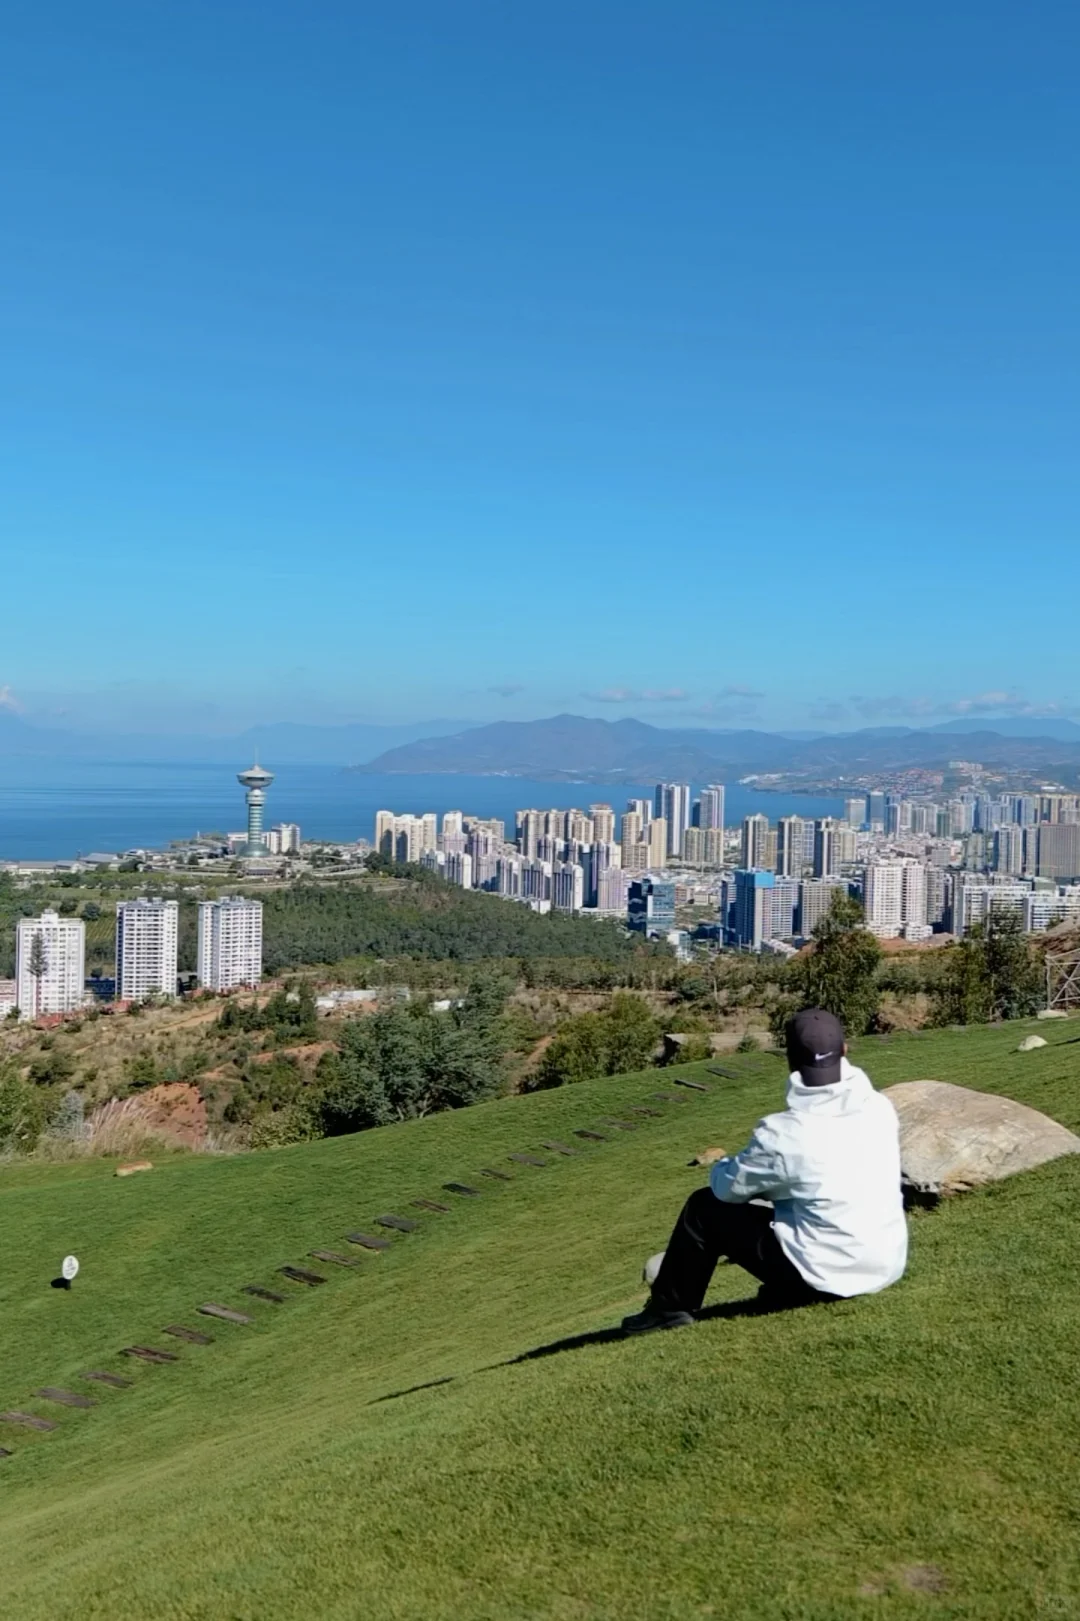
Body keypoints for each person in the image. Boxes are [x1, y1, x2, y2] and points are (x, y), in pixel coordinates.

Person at [622, 1007, 908, 1335]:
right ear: (845, 1050)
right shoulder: (878, 1107)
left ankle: (667, 1310)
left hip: (825, 1277)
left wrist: (732, 1167)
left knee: (703, 1210)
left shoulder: (784, 1132)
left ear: (789, 1058)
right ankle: (785, 1287)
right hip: (884, 1265)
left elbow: (726, 1189)